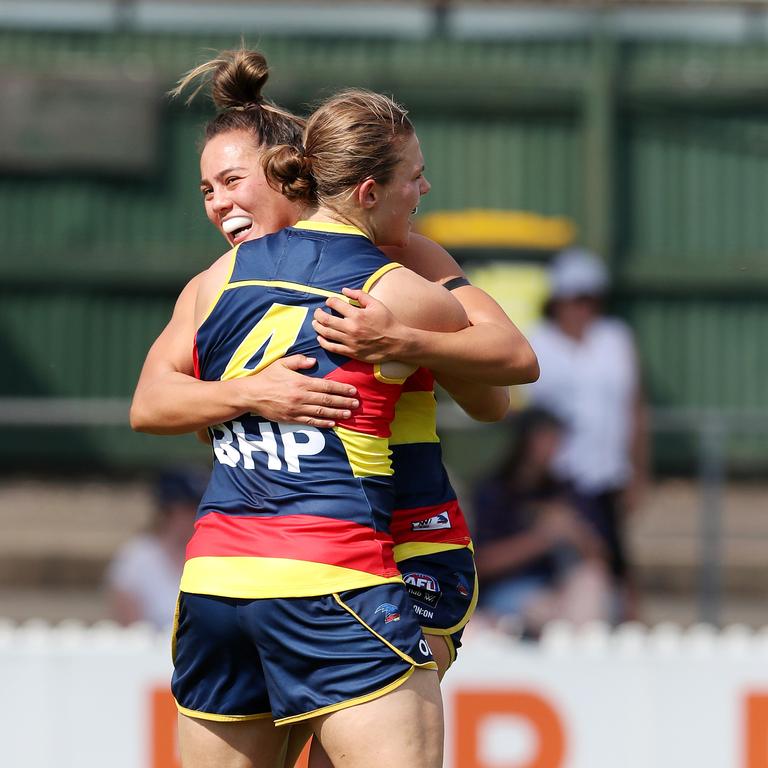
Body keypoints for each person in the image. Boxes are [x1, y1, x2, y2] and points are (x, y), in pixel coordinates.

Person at [129, 48, 538, 768]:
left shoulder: (404, 261)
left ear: (294, 177)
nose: (219, 203)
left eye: (232, 182)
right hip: (320, 563)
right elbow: (170, 408)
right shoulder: (231, 283)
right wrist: (249, 395)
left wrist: (407, 339)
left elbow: (495, 387)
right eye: (206, 190)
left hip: (406, 545)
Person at [526, 247, 650, 621]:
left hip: (607, 472)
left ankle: (623, 626)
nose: (584, 309)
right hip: (561, 475)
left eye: (591, 299)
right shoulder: (539, 341)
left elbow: (634, 407)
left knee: (616, 557)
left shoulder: (614, 338)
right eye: (577, 299)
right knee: (577, 555)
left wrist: (639, 470)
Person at [473, 408, 611, 638]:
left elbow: (602, 559)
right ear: (525, 440)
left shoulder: (565, 491)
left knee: (591, 579)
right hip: (506, 594)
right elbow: (481, 563)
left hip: (558, 590)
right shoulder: (494, 493)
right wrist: (541, 539)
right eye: (546, 439)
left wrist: (575, 531)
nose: (553, 447)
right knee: (546, 612)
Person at [105, 468, 207, 630]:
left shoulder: (213, 556)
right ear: (167, 511)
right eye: (189, 508)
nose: (198, 515)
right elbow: (131, 630)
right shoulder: (136, 558)